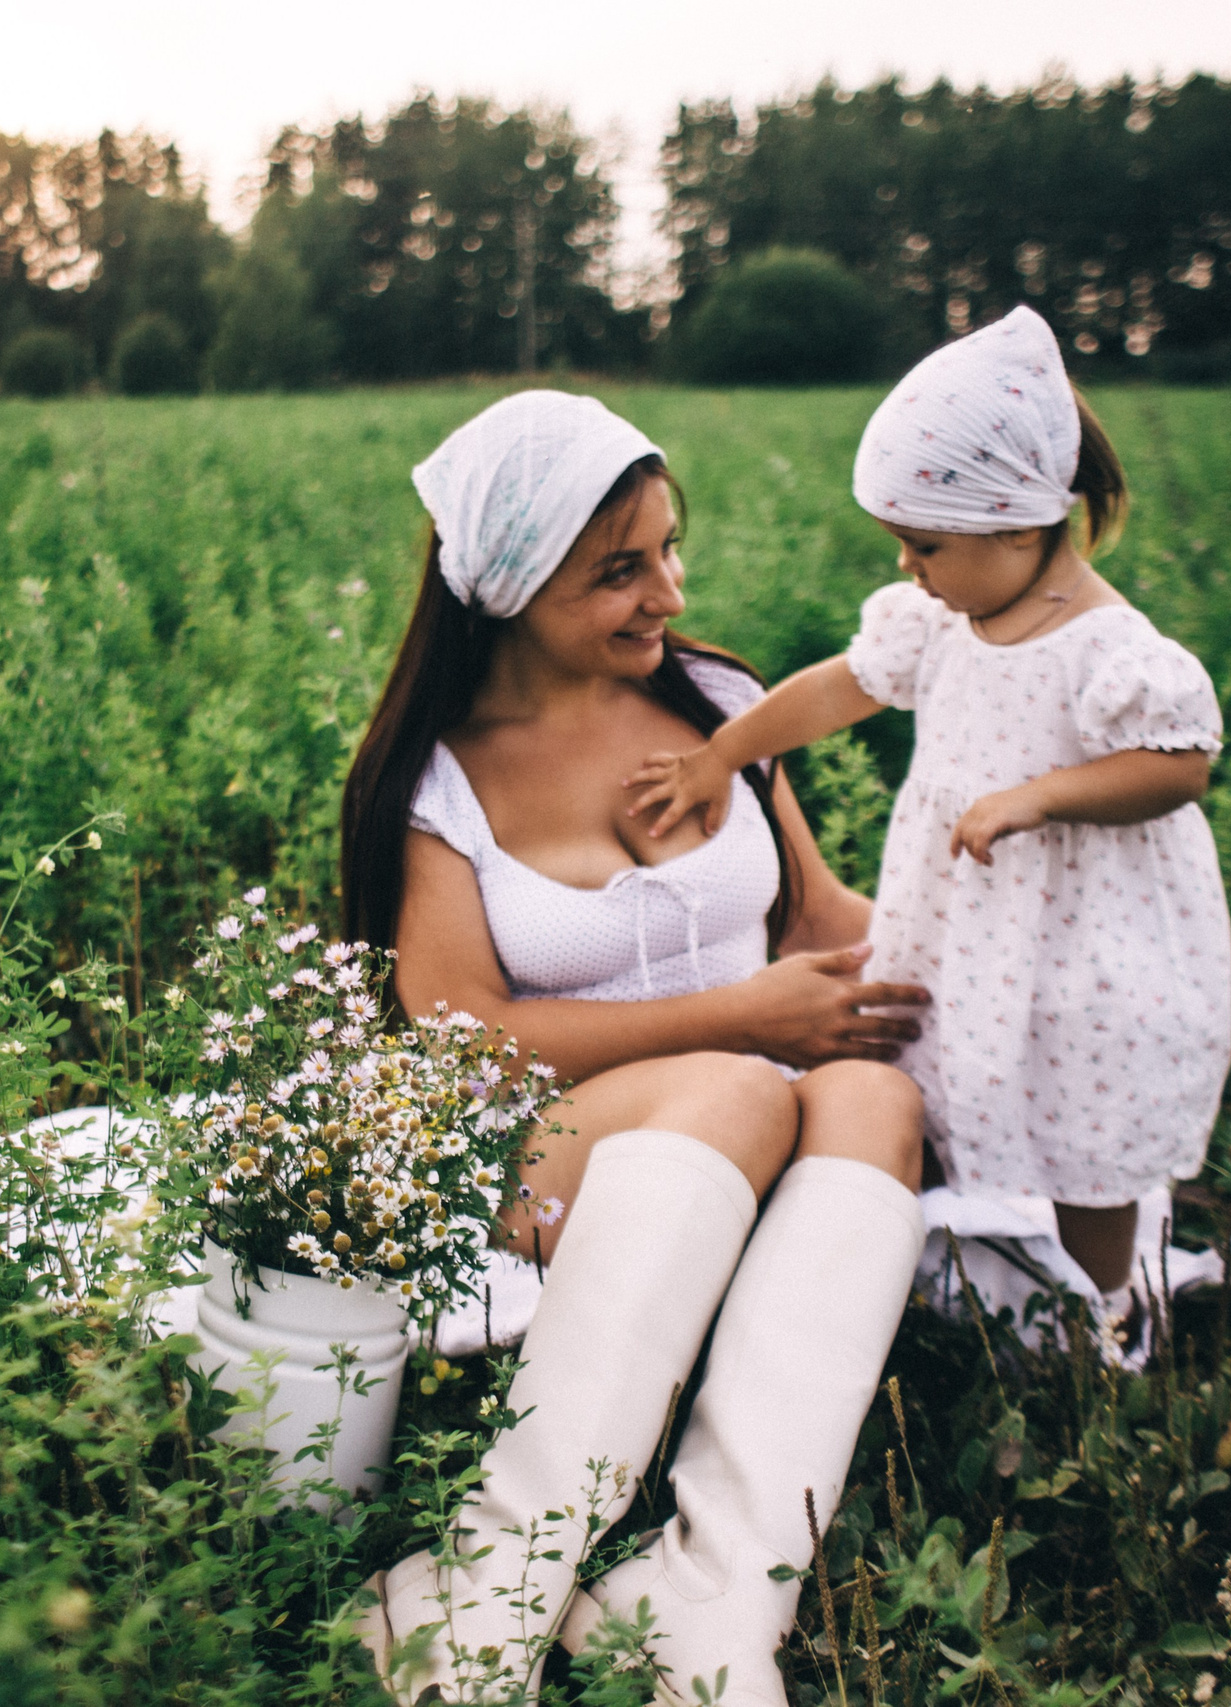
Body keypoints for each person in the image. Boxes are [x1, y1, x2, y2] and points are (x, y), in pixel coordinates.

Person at [338, 390, 929, 1707]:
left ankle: (711, 1591)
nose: (666, 589)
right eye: (619, 569)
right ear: (508, 587)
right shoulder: (438, 776)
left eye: (668, 547)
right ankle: (483, 1583)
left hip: (751, 1113)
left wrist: (1017, 972)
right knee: (737, 1083)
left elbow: (819, 916)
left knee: (878, 1100)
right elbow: (462, 1037)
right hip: (544, 1159)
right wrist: (742, 1014)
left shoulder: (716, 698)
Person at [627, 305, 1231, 1357]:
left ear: (1015, 525)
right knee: (952, 1081)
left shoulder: (1110, 651)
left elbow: (1179, 764)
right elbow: (835, 690)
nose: (908, 567)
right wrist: (722, 753)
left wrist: (1044, 796)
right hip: (974, 934)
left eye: (926, 545)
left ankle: (1103, 1317)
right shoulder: (945, 623)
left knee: (1086, 1132)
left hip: (1084, 946)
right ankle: (987, 1274)